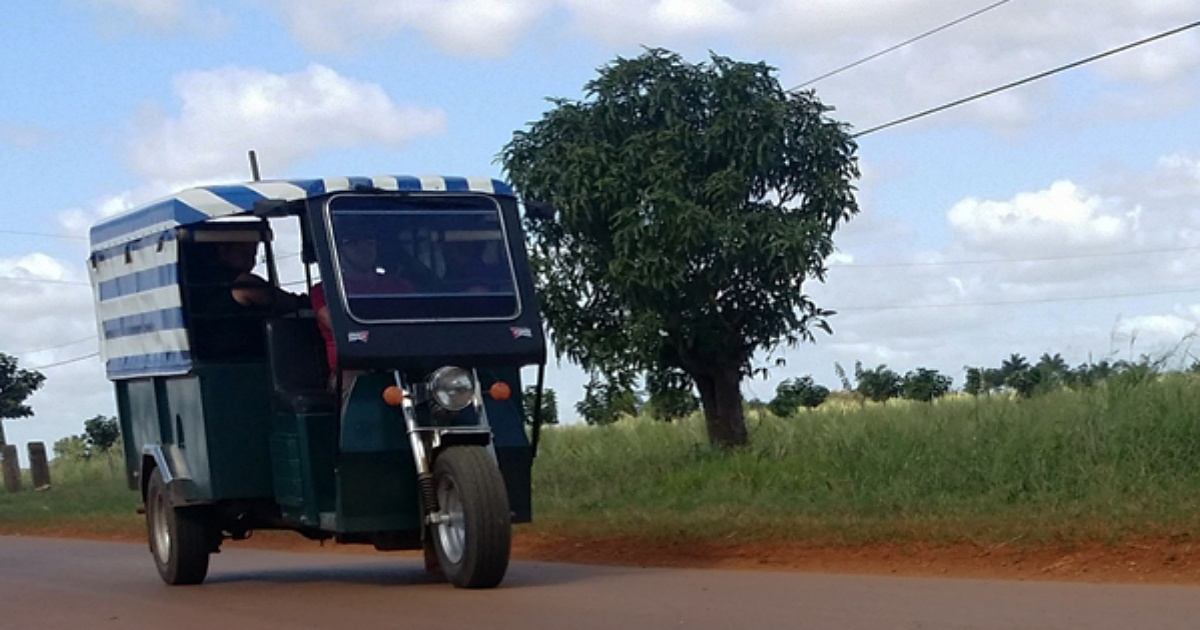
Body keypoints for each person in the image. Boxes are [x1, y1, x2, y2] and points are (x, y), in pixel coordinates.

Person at [310, 228, 413, 391]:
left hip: (403, 362)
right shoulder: (325, 291)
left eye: (369, 239)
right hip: (352, 367)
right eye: (352, 241)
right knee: (357, 390)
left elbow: (414, 319)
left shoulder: (399, 286)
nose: (363, 246)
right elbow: (339, 324)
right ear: (339, 250)